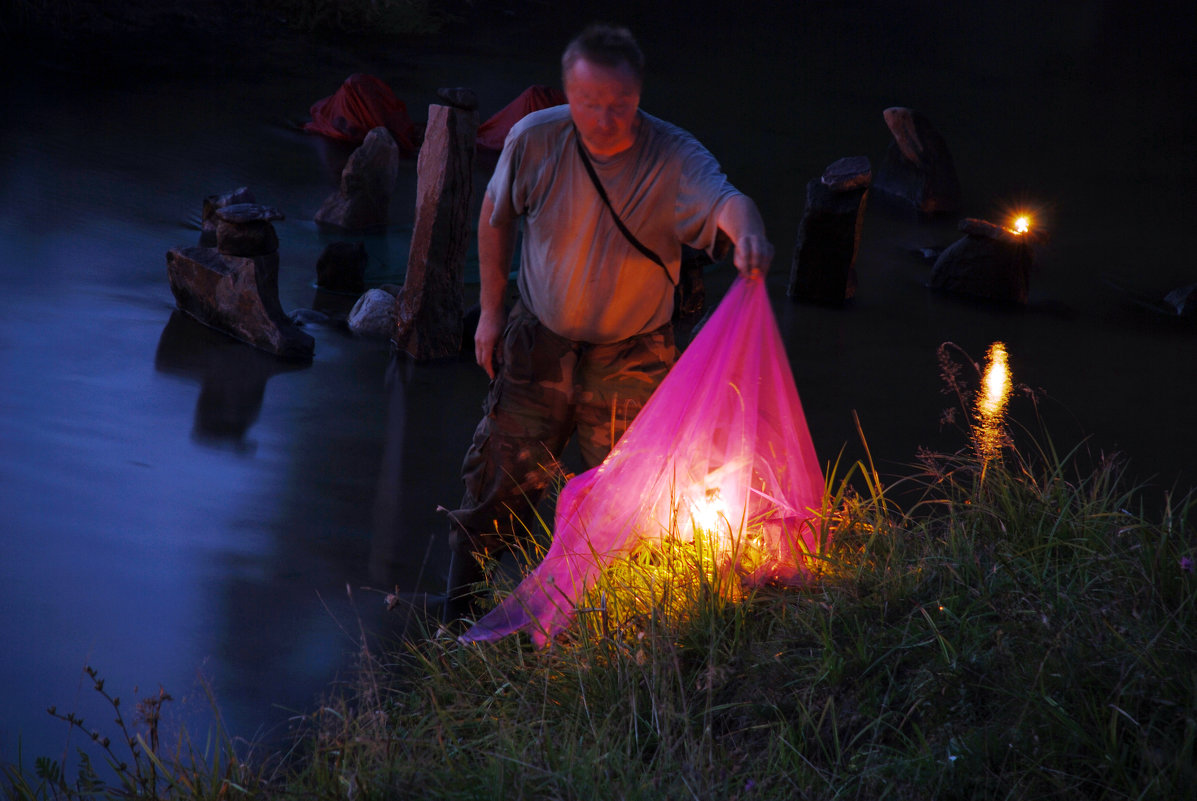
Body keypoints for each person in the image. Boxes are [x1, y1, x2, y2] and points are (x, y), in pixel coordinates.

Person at [444, 23, 774, 620]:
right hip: (540, 342)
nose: (604, 119)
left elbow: (728, 201)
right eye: (589, 103)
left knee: (627, 496)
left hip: (633, 353)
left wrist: (749, 234)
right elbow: (494, 216)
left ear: (638, 97)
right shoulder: (534, 140)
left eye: (618, 105)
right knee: (499, 480)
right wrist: (490, 314)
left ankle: (598, 625)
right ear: (569, 96)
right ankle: (460, 614)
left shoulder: (673, 157)